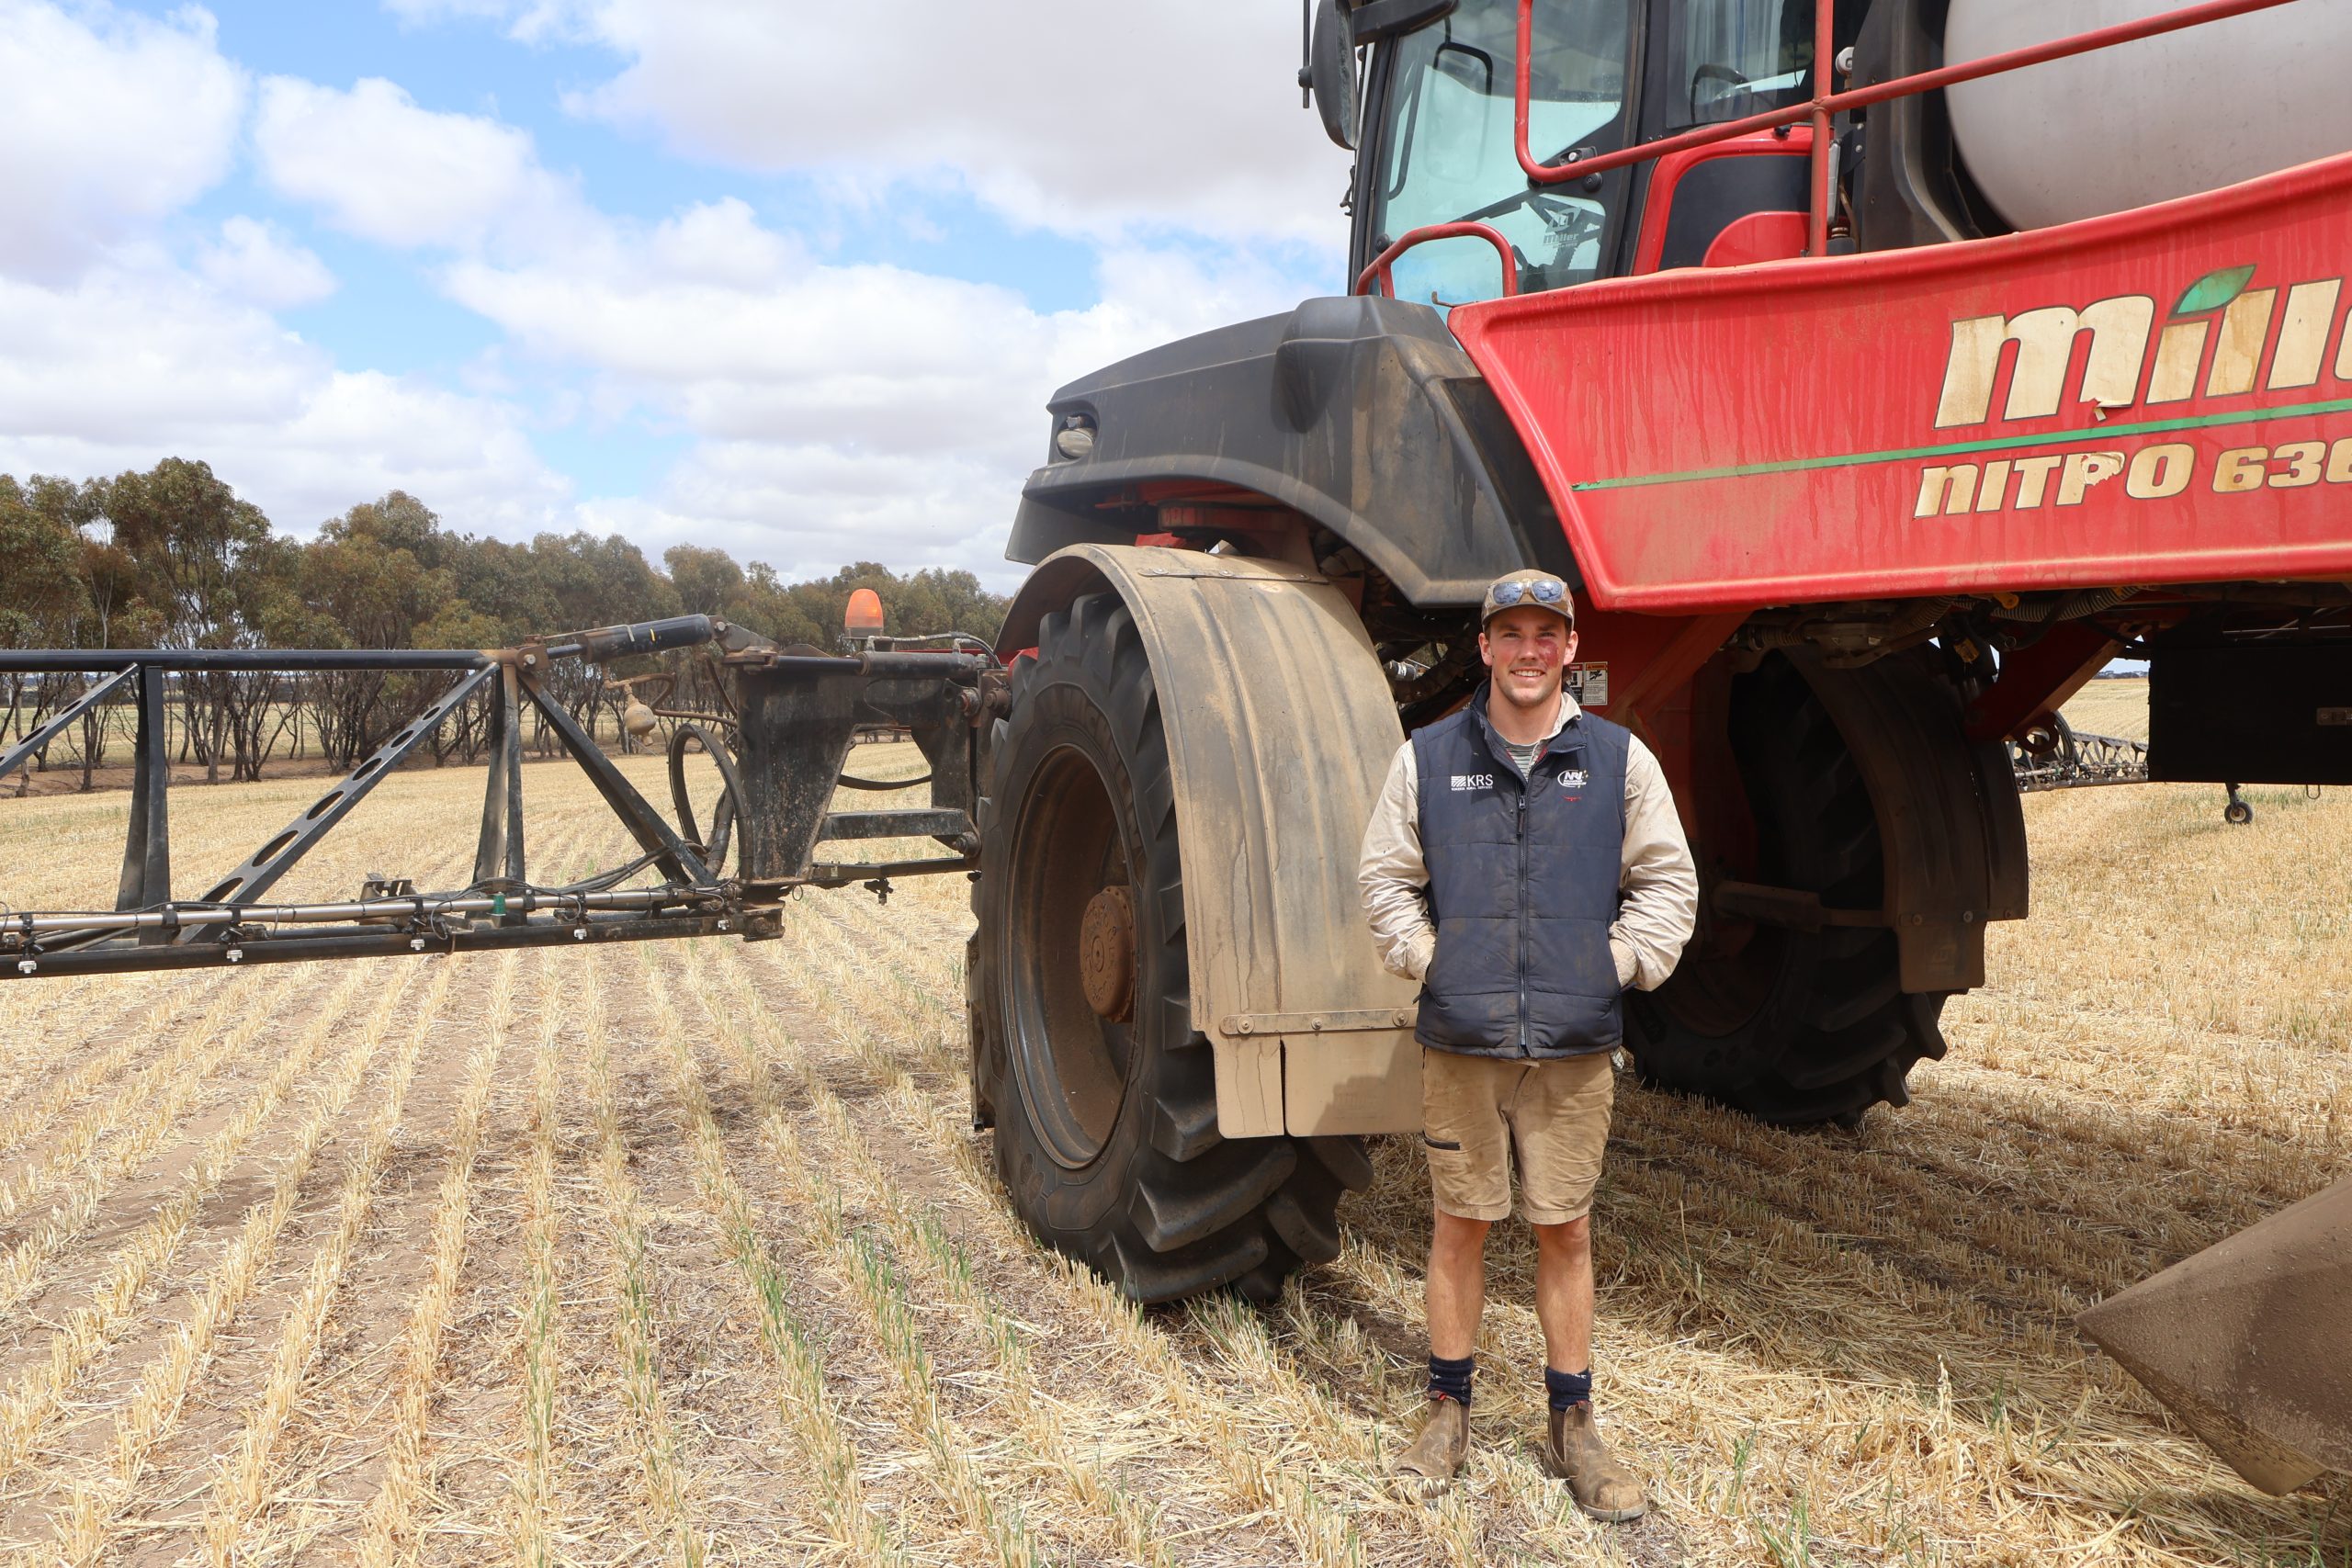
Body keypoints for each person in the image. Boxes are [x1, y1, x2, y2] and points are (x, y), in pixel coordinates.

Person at [1358, 569, 1698, 1517]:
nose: (1527, 652)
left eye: (1545, 635)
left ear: (1569, 649)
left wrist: (1616, 964)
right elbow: (1383, 878)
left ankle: (1573, 1424)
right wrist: (1435, 963)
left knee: (1566, 1228)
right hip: (1462, 1042)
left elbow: (1669, 883)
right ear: (1483, 648)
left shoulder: (1618, 762)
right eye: (1509, 633)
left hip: (1573, 1045)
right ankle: (1446, 1410)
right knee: (1459, 1224)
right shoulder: (1426, 757)